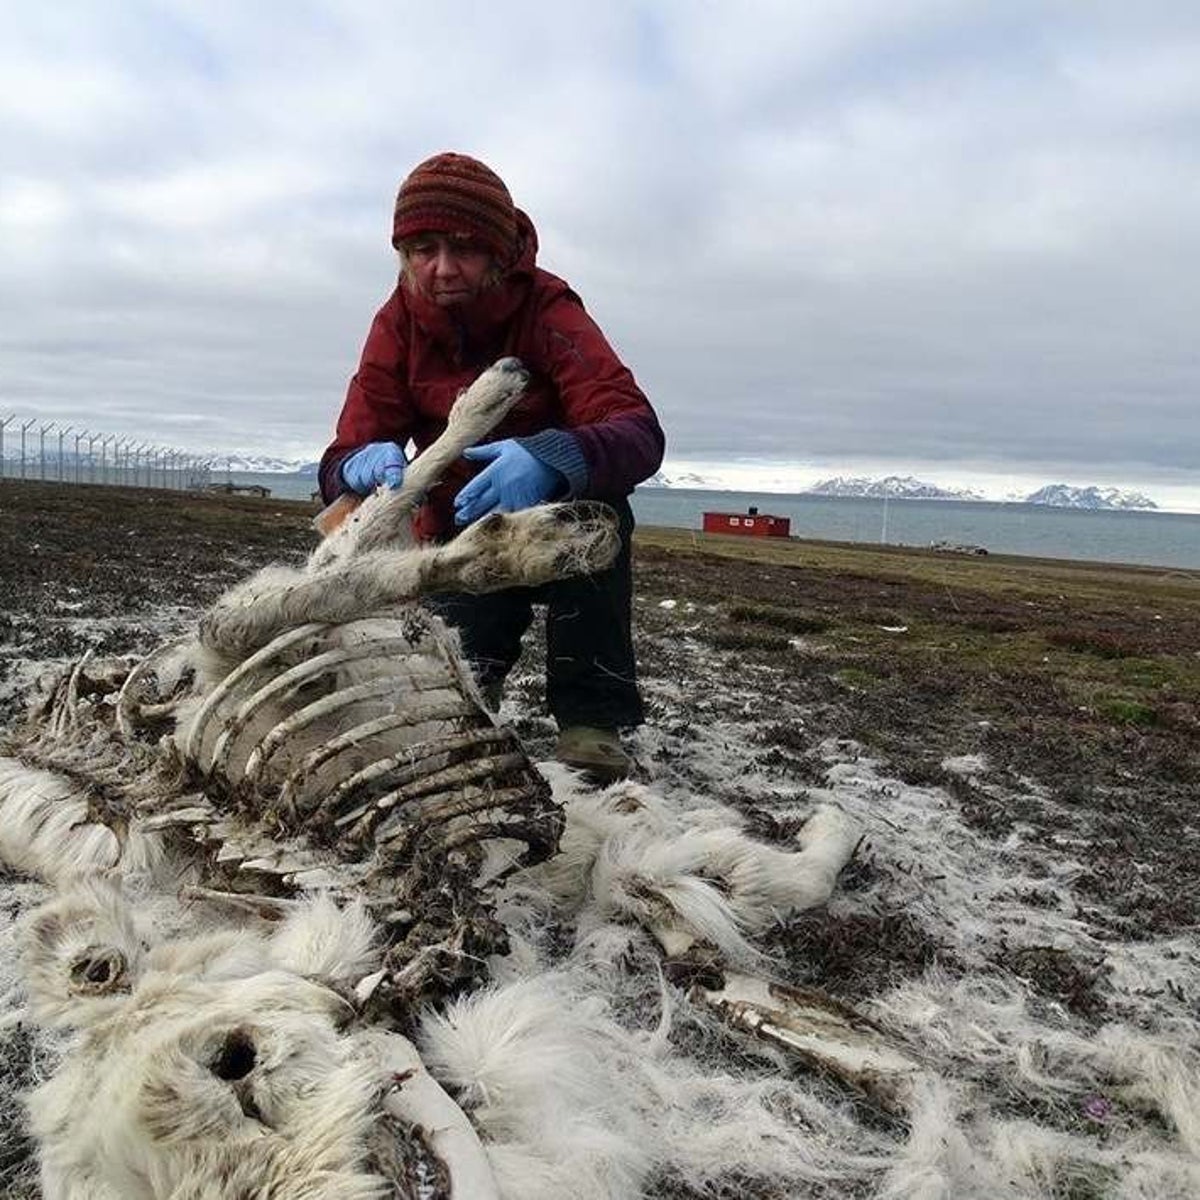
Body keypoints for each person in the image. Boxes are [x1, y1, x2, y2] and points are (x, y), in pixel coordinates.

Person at [319, 152, 665, 782]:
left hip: (559, 512)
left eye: (464, 248)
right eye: (423, 248)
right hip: (458, 524)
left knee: (602, 517)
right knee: (457, 690)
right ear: (402, 253)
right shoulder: (397, 323)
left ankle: (591, 722)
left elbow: (637, 431)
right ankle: (472, 702)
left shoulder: (547, 309)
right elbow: (348, 447)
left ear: (500, 251)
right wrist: (352, 468)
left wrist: (552, 458)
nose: (442, 268)